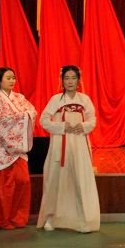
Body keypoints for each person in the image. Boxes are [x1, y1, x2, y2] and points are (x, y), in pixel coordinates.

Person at [37, 65, 100, 233]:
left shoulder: (85, 99)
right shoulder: (55, 100)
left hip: (79, 143)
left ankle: (84, 219)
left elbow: (93, 119)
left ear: (79, 80)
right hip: (60, 143)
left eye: (73, 78)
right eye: (67, 78)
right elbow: (43, 120)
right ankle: (52, 218)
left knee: (80, 178)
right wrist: (60, 127)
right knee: (56, 178)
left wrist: (84, 126)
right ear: (62, 81)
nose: (70, 81)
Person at [0, 67, 37, 230]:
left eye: (13, 78)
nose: (12, 81)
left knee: (23, 181)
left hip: (19, 148)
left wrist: (21, 117)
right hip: (2, 148)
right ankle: (3, 219)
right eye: (8, 78)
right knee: (6, 186)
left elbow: (32, 112)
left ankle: (18, 217)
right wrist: (20, 116)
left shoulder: (19, 97)